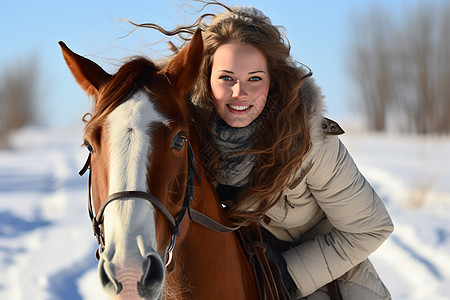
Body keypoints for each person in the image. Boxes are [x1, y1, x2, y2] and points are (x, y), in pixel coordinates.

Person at [140, 2, 394, 299]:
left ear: (272, 81)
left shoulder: (310, 142)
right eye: (226, 78)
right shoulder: (186, 138)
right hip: (230, 274)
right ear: (205, 78)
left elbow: (370, 228)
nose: (239, 92)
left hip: (325, 279)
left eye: (254, 79)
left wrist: (287, 274)